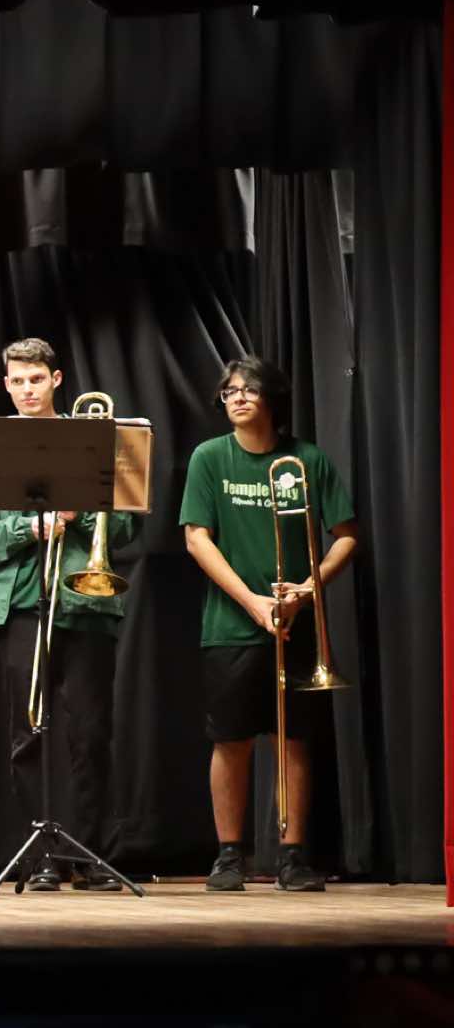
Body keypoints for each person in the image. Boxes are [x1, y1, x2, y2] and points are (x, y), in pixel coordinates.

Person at [0, 338, 140, 892]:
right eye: (18, 381)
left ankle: (90, 854)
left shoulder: (96, 440)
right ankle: (43, 855)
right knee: (28, 733)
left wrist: (80, 515)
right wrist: (30, 528)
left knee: (91, 734)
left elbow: (125, 527)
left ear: (56, 380)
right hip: (19, 605)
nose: (28, 389)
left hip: (86, 604)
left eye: (37, 379)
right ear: (6, 385)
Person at [179, 356, 357, 893]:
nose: (237, 398)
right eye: (229, 391)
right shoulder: (210, 457)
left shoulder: (307, 459)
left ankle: (292, 856)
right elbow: (196, 539)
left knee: (294, 738)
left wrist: (307, 589)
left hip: (297, 622)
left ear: (271, 397)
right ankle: (228, 856)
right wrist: (253, 603)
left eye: (249, 389)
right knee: (230, 740)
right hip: (230, 624)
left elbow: (346, 535)